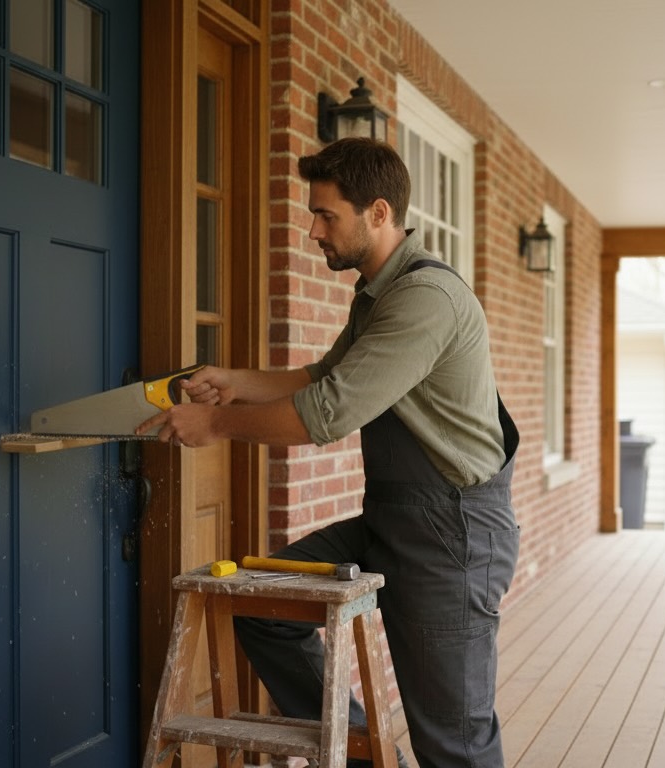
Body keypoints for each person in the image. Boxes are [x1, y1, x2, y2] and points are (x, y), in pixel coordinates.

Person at [136, 136, 520, 768]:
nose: (312, 230)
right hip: (392, 521)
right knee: (260, 606)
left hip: (453, 533)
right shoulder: (379, 294)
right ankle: (367, 754)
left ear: (377, 213)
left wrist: (216, 425)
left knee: (454, 740)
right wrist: (232, 382)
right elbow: (321, 378)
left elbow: (330, 412)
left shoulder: (425, 299)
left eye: (325, 215)